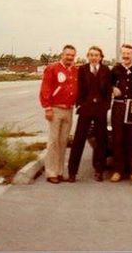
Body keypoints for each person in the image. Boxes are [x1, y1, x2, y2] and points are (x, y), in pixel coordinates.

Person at [68, 46, 112, 182]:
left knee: (101, 140)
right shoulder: (82, 69)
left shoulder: (106, 70)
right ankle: (72, 172)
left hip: (100, 109)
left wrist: (106, 106)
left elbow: (108, 91)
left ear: (100, 57)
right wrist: (80, 104)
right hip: (86, 109)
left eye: (96, 55)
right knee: (79, 140)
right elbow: (79, 88)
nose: (94, 57)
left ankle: (99, 171)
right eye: (91, 55)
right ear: (88, 56)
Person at [39, 44, 79, 184]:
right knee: (53, 142)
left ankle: (60, 172)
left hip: (69, 110)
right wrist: (47, 107)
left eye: (72, 55)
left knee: (63, 142)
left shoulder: (75, 70)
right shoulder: (52, 68)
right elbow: (46, 88)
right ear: (62, 55)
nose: (70, 57)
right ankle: (51, 173)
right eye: (67, 55)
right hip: (55, 109)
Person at [109, 44, 132, 184]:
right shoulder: (115, 69)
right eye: (124, 53)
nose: (126, 56)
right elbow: (105, 84)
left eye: (128, 53)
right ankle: (117, 171)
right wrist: (112, 88)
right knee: (118, 139)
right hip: (119, 107)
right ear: (121, 54)